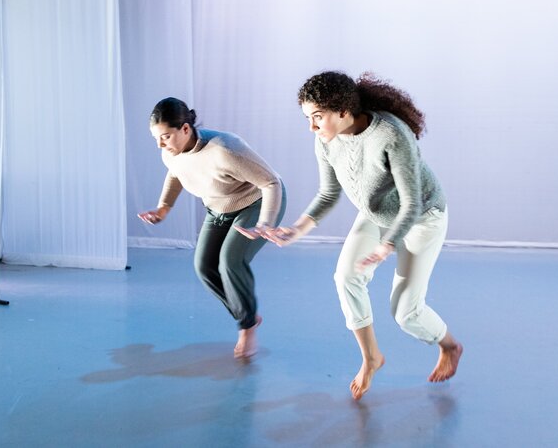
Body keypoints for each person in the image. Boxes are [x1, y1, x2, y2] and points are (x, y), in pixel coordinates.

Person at [263, 71, 462, 399]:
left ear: (343, 112)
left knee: (406, 313)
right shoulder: (326, 140)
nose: (311, 127)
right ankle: (372, 357)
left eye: (317, 118)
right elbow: (328, 193)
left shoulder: (391, 135)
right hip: (377, 214)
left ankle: (450, 346)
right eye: (308, 119)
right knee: (345, 277)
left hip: (422, 217)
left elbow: (411, 203)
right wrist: (297, 229)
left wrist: (386, 246)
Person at [139, 97, 286, 359]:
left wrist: (264, 222)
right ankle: (248, 313)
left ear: (185, 129)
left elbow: (271, 183)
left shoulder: (225, 149)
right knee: (204, 266)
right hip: (219, 208)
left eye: (165, 136)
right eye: (156, 138)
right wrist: (163, 208)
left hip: (256, 203)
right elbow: (176, 172)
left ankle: (247, 327)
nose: (160, 145)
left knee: (231, 260)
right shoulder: (170, 151)